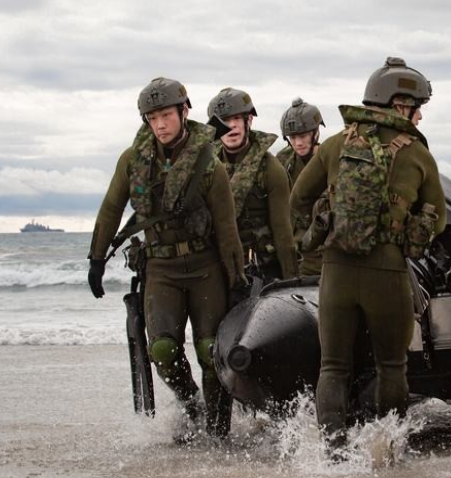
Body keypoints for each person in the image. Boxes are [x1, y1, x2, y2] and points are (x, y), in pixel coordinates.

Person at [290, 57, 446, 453]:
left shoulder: (334, 145)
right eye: (416, 106)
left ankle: (333, 454)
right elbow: (440, 221)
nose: (419, 115)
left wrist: (328, 214)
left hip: (337, 270)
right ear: (397, 103)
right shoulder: (417, 154)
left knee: (333, 367)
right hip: (387, 271)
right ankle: (385, 449)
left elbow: (298, 198)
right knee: (391, 367)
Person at [87, 77, 246, 441]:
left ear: (184, 112)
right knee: (162, 349)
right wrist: (97, 260)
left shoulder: (210, 164)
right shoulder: (132, 160)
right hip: (160, 268)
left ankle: (219, 430)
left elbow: (227, 231)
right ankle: (192, 405)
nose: (159, 124)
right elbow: (111, 209)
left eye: (166, 115)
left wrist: (236, 282)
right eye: (152, 117)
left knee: (210, 351)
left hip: (206, 267)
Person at [207, 87, 297, 291]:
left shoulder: (271, 170)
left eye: (236, 119)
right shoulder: (206, 167)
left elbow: (283, 234)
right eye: (223, 121)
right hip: (216, 268)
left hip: (260, 270)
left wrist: (291, 283)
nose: (230, 127)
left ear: (249, 121)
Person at [276, 97, 327, 276]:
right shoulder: (282, 161)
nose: (298, 143)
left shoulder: (329, 160)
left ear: (316, 132)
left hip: (323, 252)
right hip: (291, 251)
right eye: (293, 137)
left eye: (303, 136)